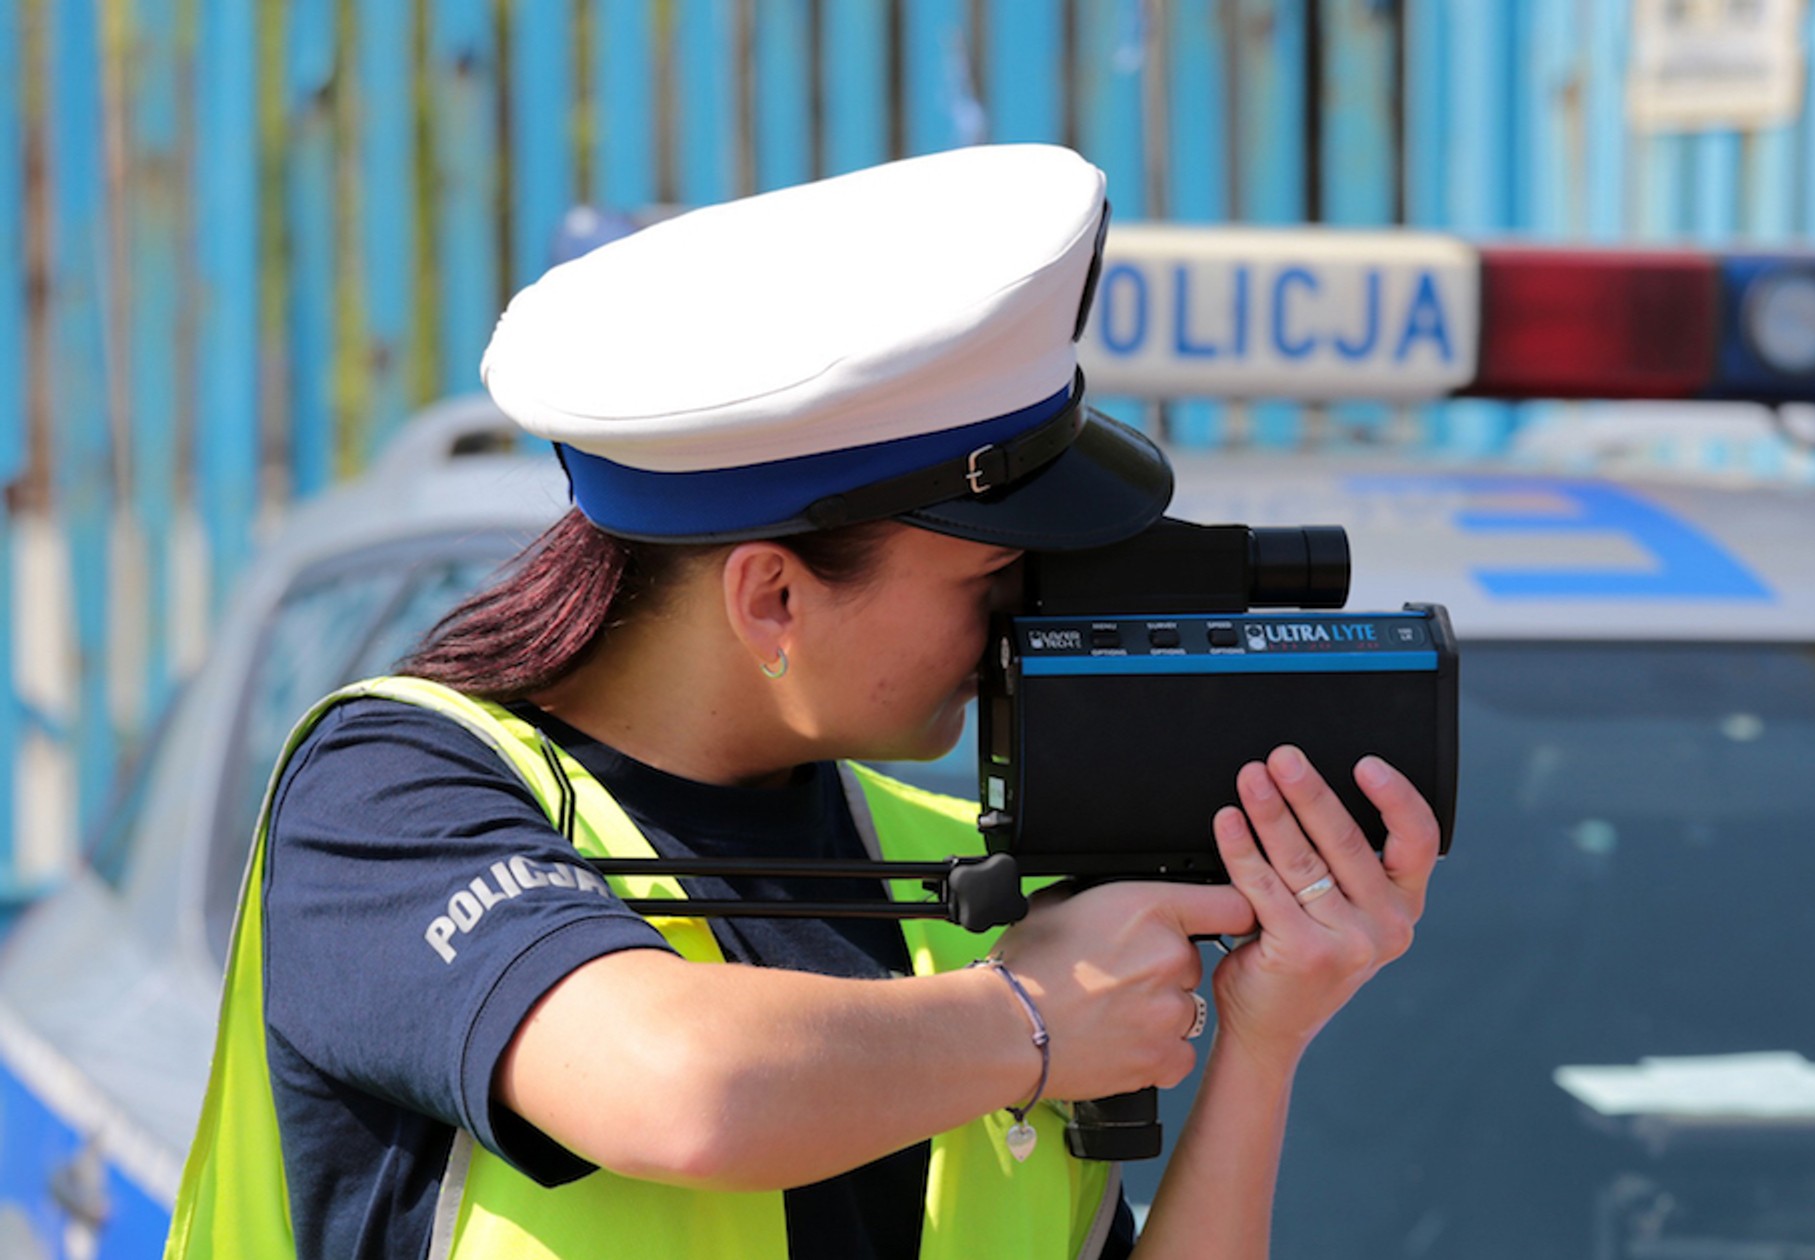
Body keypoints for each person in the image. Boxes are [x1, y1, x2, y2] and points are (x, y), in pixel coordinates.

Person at [166, 144, 1441, 1260]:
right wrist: (1038, 1020)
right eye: (995, 578)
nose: (1027, 626)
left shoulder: (950, 880)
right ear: (772, 597)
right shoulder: (395, 795)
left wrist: (1264, 1040)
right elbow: (685, 1090)